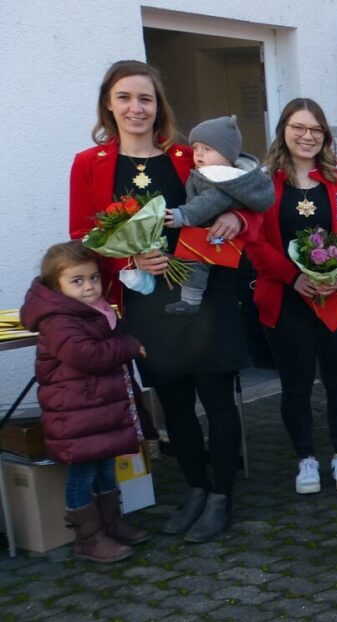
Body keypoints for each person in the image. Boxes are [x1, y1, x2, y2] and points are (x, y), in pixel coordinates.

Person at [69, 60, 253, 543]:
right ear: (109, 103)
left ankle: (221, 497)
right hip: (147, 301)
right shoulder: (90, 163)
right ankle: (194, 487)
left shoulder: (183, 154)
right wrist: (127, 260)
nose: (136, 108)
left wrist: (240, 222)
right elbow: (82, 234)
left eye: (145, 98)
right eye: (125, 97)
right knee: (174, 401)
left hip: (206, 292)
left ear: (158, 105)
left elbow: (239, 191)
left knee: (216, 397)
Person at [247, 98, 337, 495]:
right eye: (299, 127)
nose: (307, 136)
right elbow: (255, 242)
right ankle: (305, 460)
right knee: (296, 383)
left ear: (325, 136)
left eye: (315, 129)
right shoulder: (263, 182)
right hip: (286, 298)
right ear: (284, 130)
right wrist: (293, 276)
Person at [20, 242, 152, 563]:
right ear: (56, 286)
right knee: (82, 475)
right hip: (76, 416)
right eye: (76, 281)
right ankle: (88, 539)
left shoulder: (96, 311)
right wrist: (130, 346)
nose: (89, 286)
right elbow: (86, 356)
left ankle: (110, 523)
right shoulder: (58, 319)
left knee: (106, 467)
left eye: (93, 278)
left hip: (98, 411)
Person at [164, 114, 275, 314]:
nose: (198, 154)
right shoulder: (213, 172)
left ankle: (190, 302)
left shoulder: (222, 178)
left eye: (207, 149)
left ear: (227, 155)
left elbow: (210, 201)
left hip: (215, 236)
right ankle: (190, 301)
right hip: (211, 235)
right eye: (196, 148)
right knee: (193, 263)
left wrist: (183, 215)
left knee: (194, 262)